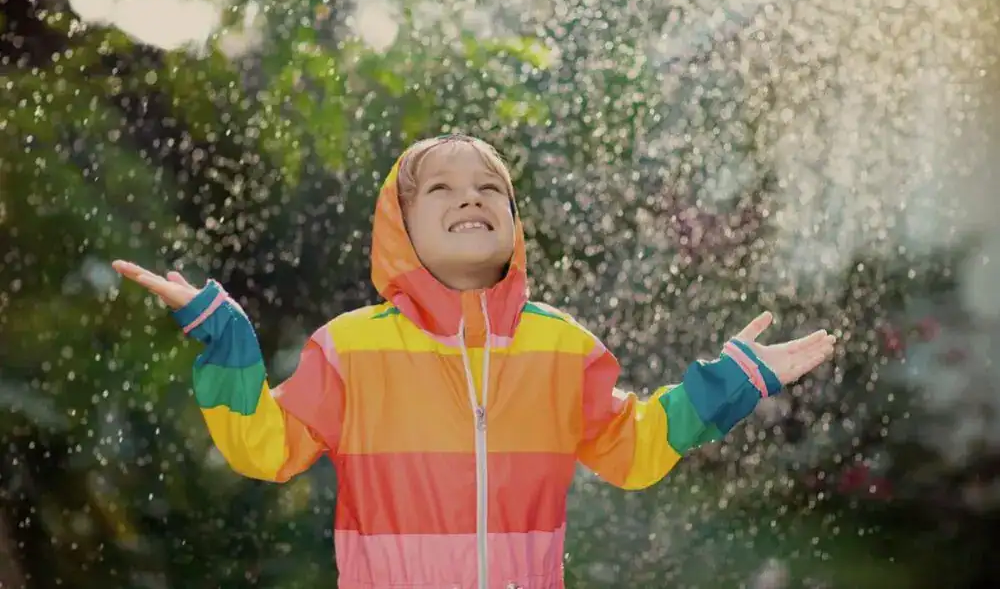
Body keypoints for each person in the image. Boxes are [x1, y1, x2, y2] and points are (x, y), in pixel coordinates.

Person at [112, 134, 836, 589]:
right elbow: (266, 448)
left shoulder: (562, 347)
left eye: (492, 189)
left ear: (514, 225)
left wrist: (735, 383)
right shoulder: (351, 350)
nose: (472, 198)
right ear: (402, 227)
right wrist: (227, 341)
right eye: (443, 189)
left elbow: (635, 449)